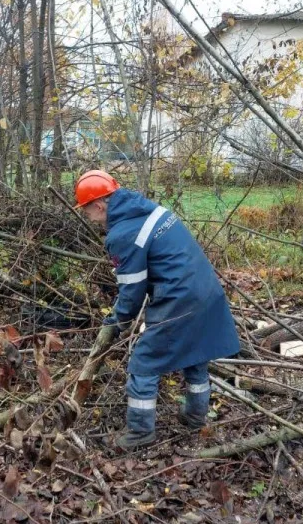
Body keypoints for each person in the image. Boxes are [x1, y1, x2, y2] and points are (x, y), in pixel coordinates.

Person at [74, 170, 240, 449]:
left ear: (99, 205)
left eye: (86, 210)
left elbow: (132, 290)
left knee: (143, 362)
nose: (86, 216)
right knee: (195, 354)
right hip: (206, 289)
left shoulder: (122, 233)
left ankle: (140, 432)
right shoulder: (146, 210)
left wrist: (120, 323)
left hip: (180, 298)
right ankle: (196, 417)